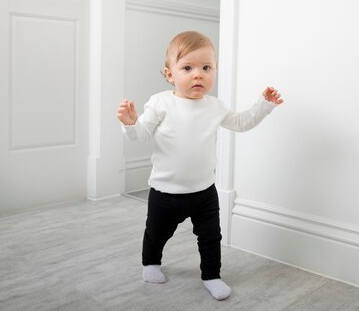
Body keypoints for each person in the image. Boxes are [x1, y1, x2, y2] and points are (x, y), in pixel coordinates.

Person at [116, 31, 283, 301]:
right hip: (165, 192)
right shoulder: (161, 103)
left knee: (210, 237)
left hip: (204, 192)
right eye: (188, 68)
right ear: (170, 74)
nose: (198, 75)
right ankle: (150, 262)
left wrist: (264, 104)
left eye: (206, 68)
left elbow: (242, 123)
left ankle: (212, 275)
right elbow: (141, 134)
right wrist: (130, 123)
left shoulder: (214, 106)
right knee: (157, 233)